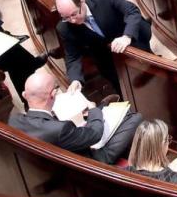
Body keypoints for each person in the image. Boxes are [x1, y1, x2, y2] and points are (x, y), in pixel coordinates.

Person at [10, 69, 143, 165]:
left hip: (58, 156)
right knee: (134, 117)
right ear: (53, 94)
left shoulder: (14, 120)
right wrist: (92, 109)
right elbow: (96, 133)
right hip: (91, 162)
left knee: (103, 108)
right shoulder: (60, 129)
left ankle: (102, 107)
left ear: (24, 95)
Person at [55, 0, 153, 91]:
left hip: (132, 39)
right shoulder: (64, 27)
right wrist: (75, 80)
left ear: (82, 1)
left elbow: (132, 12)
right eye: (66, 17)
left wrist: (127, 36)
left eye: (74, 14)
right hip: (107, 59)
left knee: (152, 75)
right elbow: (72, 57)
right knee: (123, 89)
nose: (73, 20)